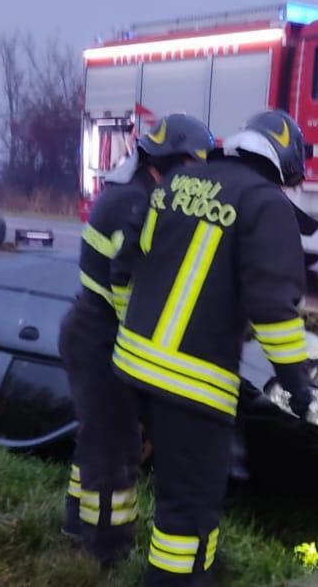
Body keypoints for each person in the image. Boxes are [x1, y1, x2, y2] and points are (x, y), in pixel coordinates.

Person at [111, 109, 315, 584]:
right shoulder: (267, 205)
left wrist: (133, 336)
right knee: (188, 507)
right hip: (193, 387)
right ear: (284, 161)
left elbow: (124, 266)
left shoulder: (175, 185)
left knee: (161, 487)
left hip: (130, 369)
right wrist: (298, 387)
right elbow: (273, 311)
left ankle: (201, 568)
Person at [58, 113, 215, 566]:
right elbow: (126, 284)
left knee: (95, 438)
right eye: (193, 165)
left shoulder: (132, 193)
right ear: (171, 162)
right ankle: (108, 550)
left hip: (90, 327)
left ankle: (77, 523)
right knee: (115, 448)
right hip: (101, 335)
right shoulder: (137, 205)